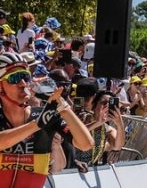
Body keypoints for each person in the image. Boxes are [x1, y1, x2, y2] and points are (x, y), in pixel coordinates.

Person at [0, 51, 93, 187]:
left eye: (25, 77)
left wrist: (63, 107)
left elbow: (85, 144)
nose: (23, 83)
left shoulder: (45, 115)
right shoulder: (41, 119)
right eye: (14, 78)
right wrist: (36, 125)